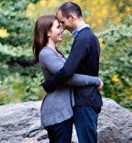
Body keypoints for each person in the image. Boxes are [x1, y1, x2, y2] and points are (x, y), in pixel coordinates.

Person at [33, 14, 103, 142]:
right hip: (57, 111)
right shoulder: (47, 53)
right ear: (47, 32)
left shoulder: (55, 53)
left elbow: (65, 74)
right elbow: (67, 77)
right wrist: (95, 80)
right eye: (57, 27)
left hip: (64, 111)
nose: (62, 30)